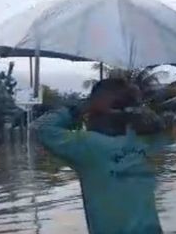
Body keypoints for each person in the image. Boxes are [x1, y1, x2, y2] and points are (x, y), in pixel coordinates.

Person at [36, 78, 165, 234]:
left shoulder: (87, 145)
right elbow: (158, 126)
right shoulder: (144, 143)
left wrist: (80, 108)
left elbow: (41, 128)